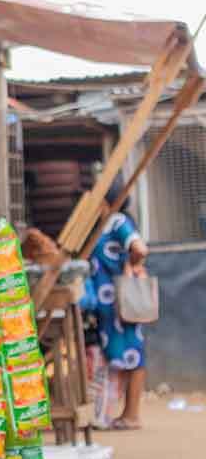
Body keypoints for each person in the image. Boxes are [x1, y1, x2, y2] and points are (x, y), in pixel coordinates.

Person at [83, 183, 151, 430]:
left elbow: (140, 248)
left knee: (133, 354)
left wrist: (129, 266)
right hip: (108, 307)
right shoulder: (103, 226)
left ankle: (132, 415)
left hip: (122, 303)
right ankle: (117, 414)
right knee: (117, 356)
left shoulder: (119, 221)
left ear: (106, 203)